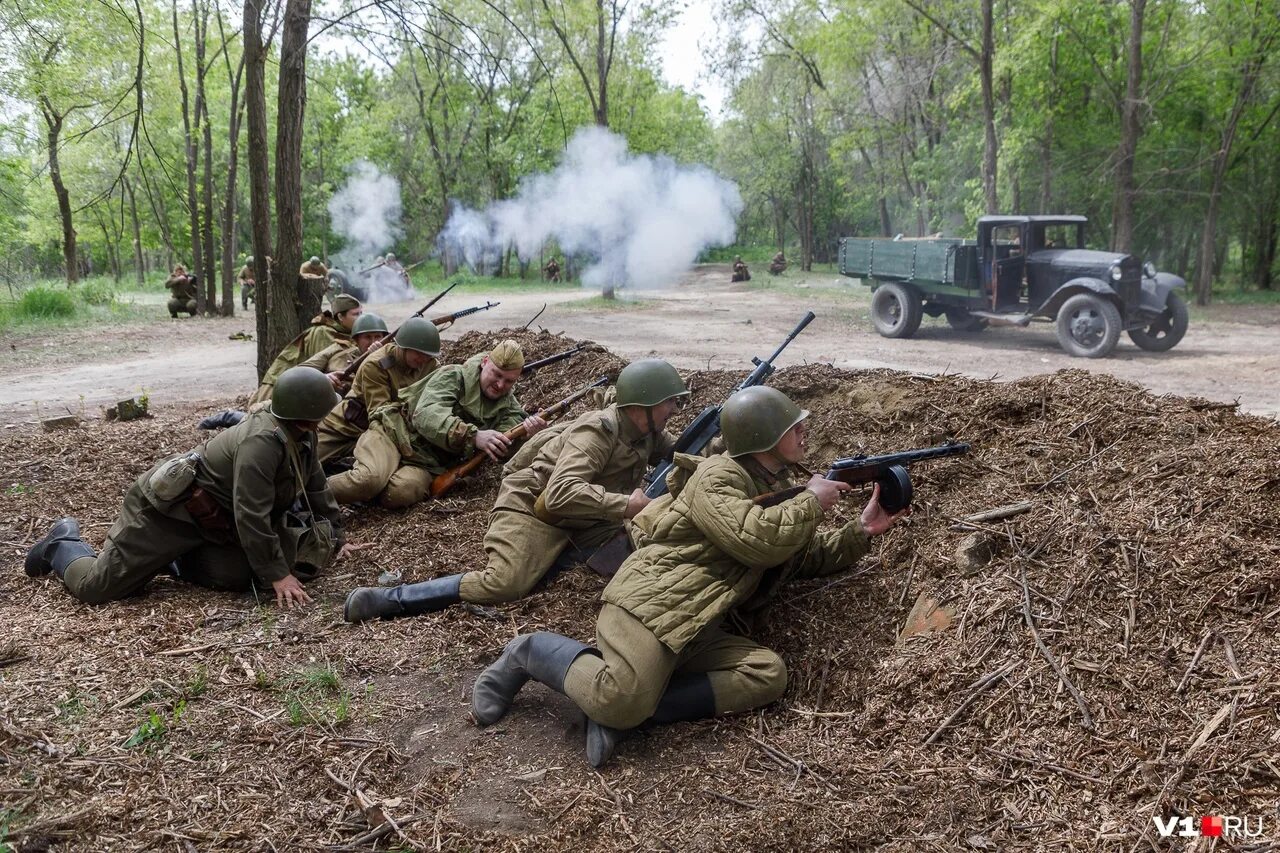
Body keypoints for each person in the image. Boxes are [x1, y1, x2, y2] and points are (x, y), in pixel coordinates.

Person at [468, 386, 909, 767]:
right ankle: (529, 652)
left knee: (766, 674)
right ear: (763, 437)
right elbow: (754, 539)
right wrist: (811, 503)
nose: (803, 431)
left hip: (696, 619)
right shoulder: (717, 477)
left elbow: (800, 554)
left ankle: (632, 714)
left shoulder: (774, 485)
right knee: (620, 698)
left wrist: (861, 531)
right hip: (650, 608)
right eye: (793, 426)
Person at [342, 359, 689, 622]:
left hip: (583, 513)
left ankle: (558, 558)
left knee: (640, 548)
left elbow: (685, 455)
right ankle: (389, 598)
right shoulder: (598, 432)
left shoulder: (648, 432)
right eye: (671, 402)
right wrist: (627, 504)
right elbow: (560, 493)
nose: (676, 409)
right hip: (534, 506)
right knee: (504, 585)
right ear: (642, 404)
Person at [24, 367, 356, 608]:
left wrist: (337, 537)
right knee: (95, 588)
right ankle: (61, 542)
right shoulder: (262, 444)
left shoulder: (302, 433)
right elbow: (251, 514)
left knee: (240, 575)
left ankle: (169, 560)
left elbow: (316, 487)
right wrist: (278, 576)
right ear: (307, 413)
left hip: (215, 523)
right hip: (169, 516)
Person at [327, 340, 547, 509]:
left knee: (402, 492)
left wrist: (527, 436)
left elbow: (501, 449)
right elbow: (426, 414)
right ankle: (304, 497)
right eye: (496, 375)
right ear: (485, 362)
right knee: (368, 480)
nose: (500, 385)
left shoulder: (510, 408)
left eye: (509, 381)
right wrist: (472, 436)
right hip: (394, 434)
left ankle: (359, 481)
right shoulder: (453, 376)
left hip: (428, 462)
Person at [196, 312, 390, 433]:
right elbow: (300, 371)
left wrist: (375, 359)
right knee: (270, 422)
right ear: (356, 339)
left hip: (353, 418)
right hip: (318, 410)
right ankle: (231, 417)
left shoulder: (389, 359)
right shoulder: (337, 350)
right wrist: (323, 379)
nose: (373, 341)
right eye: (367, 337)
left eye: (378, 337)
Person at [315, 317, 441, 462]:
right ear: (403, 347)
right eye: (418, 353)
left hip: (381, 433)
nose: (423, 359)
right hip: (344, 428)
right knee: (306, 463)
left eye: (428, 355)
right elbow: (381, 412)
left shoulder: (430, 365)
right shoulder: (375, 364)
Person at [247, 294, 363, 406]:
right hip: (285, 384)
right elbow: (321, 367)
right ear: (340, 317)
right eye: (356, 314)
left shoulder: (347, 332)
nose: (361, 317)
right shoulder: (322, 333)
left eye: (361, 313)